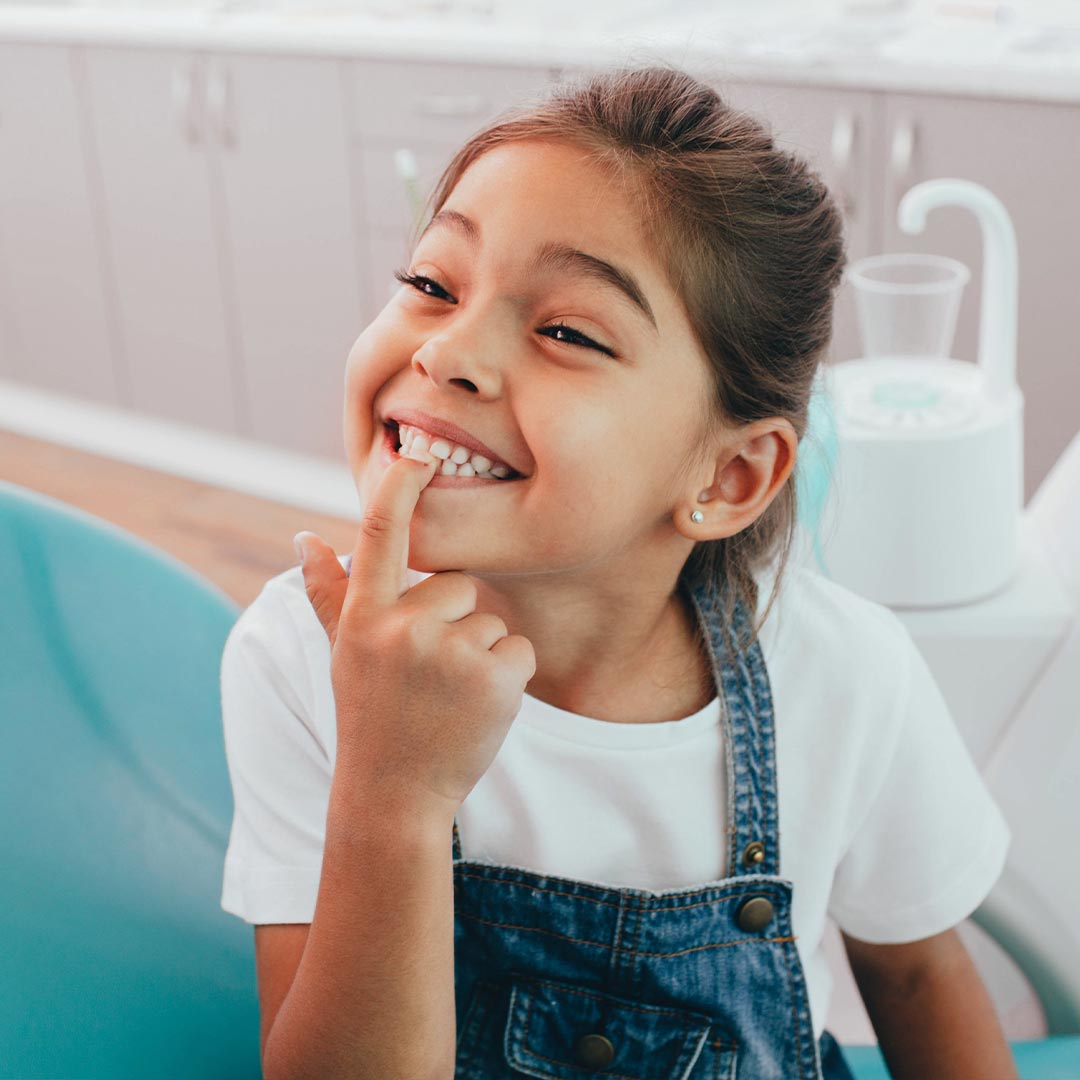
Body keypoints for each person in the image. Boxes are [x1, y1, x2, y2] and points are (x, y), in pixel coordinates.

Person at [219, 64, 1016, 1079]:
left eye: (566, 331)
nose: (450, 352)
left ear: (728, 477)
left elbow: (914, 977)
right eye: (431, 283)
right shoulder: (298, 656)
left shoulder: (850, 674)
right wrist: (393, 792)